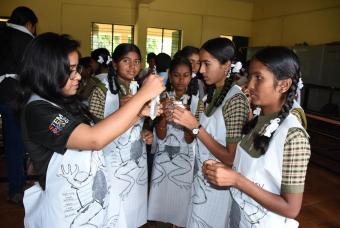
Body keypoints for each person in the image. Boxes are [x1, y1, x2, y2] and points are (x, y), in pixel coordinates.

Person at [17, 33, 164, 228]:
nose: (78, 76)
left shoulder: (63, 101)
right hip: (67, 208)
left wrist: (138, 114)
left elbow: (97, 128)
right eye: (70, 70)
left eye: (77, 68)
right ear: (47, 71)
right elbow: (94, 138)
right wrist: (144, 94)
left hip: (89, 200)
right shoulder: (38, 110)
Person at [203, 47, 311, 228]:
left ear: (283, 85)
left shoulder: (293, 135)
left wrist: (236, 180)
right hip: (240, 217)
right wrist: (227, 170)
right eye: (249, 76)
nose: (249, 85)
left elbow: (291, 208)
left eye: (258, 78)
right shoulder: (257, 120)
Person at [172, 37, 250, 227]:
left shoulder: (235, 100)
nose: (200, 70)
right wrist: (184, 121)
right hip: (202, 177)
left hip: (219, 185)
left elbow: (231, 158)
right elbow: (195, 138)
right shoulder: (211, 93)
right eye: (200, 64)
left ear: (227, 65)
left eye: (207, 64)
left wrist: (195, 127)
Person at [148, 57, 199, 227]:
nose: (181, 80)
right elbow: (160, 136)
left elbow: (191, 138)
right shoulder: (161, 97)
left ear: (191, 76)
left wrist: (188, 122)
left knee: (182, 205)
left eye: (185, 75)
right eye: (176, 75)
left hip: (185, 158)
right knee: (162, 203)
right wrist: (163, 115)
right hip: (163, 158)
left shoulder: (197, 100)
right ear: (170, 76)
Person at [0, 6, 38, 204]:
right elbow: (32, 73)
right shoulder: (27, 41)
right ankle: (16, 189)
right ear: (29, 24)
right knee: (16, 143)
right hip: (15, 97)